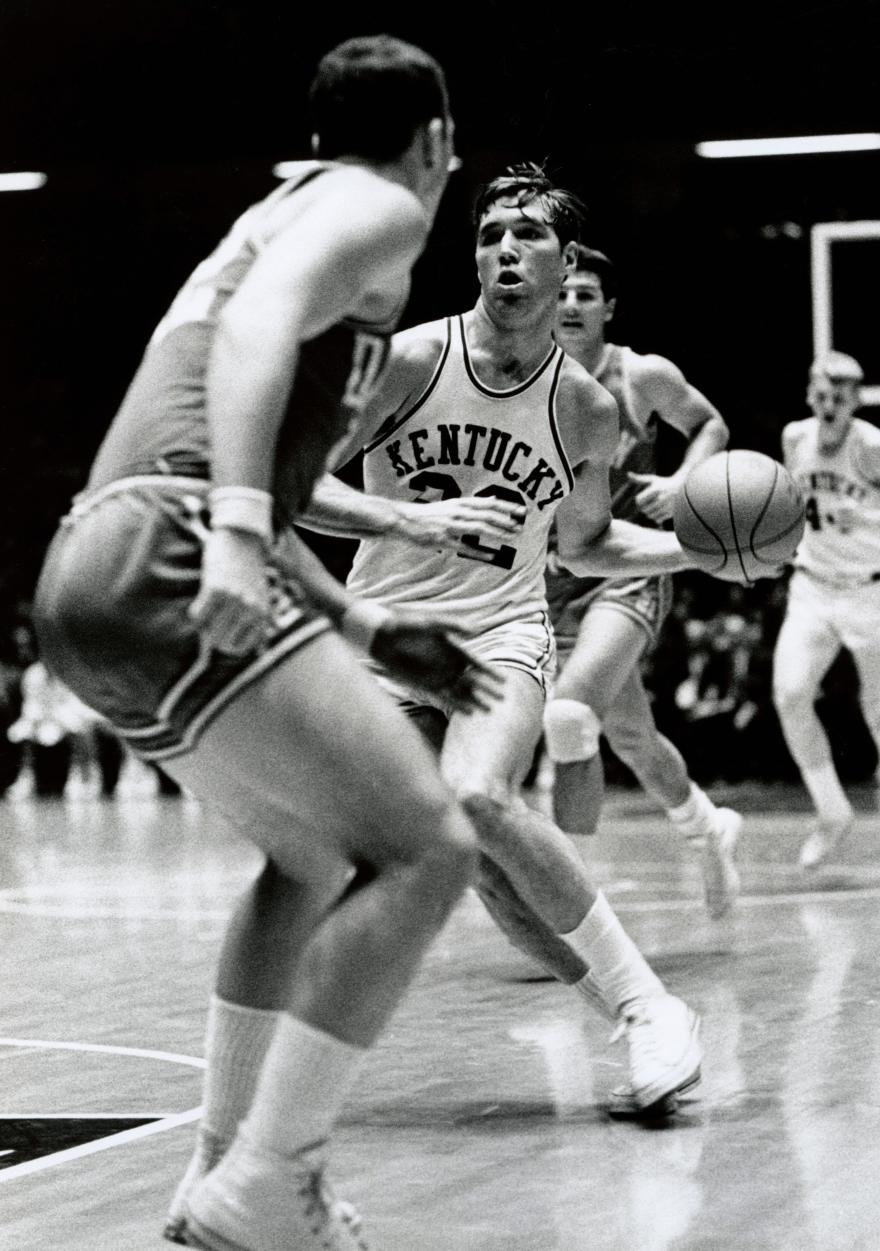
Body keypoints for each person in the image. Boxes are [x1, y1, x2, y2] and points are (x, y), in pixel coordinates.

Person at [32, 34, 496, 1251]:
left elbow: (214, 422)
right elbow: (250, 353)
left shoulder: (276, 214)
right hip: (179, 547)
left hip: (96, 566)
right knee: (432, 850)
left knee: (306, 862)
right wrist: (237, 534)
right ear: (438, 141)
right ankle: (268, 1181)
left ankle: (215, 1177)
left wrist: (359, 618)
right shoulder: (378, 210)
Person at [302, 164, 709, 1121]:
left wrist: (701, 553)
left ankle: (651, 1006)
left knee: (479, 795)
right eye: (489, 236)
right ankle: (629, 1014)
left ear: (568, 265)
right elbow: (288, 484)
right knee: (465, 856)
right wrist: (409, 526)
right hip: (388, 635)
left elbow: (587, 542)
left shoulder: (587, 408)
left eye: (526, 235)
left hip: (501, 630)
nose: (504, 251)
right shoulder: (408, 362)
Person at [545, 245, 741, 919]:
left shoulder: (640, 374)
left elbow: (711, 422)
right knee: (631, 738)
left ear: (609, 309)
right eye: (563, 292)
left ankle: (569, 910)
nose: (571, 304)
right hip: (552, 580)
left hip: (627, 570)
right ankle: (707, 826)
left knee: (570, 716)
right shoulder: (519, 376)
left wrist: (686, 479)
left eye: (586, 295)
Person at [773, 351, 880, 878]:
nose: (829, 403)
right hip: (815, 587)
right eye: (821, 392)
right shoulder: (793, 438)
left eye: (840, 395)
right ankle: (831, 812)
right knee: (791, 696)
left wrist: (867, 517)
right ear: (809, 396)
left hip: (874, 591)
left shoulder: (874, 447)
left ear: (855, 401)